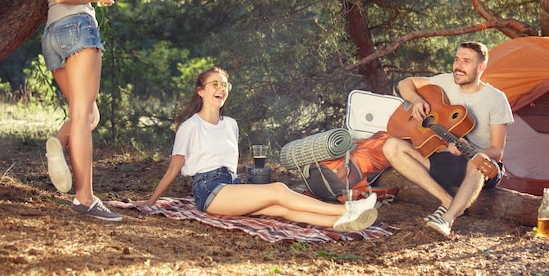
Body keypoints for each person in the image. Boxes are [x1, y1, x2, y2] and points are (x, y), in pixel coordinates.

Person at [139, 67, 378, 232]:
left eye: (225, 84)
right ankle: (348, 209)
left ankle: (341, 222)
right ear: (200, 91)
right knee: (279, 190)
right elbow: (173, 170)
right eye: (215, 84)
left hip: (230, 185)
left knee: (278, 208)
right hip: (207, 190)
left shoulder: (231, 124)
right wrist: (151, 202)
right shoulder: (190, 127)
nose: (221, 88)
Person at [41, 0, 120, 221]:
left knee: (87, 116)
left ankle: (58, 144)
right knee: (84, 117)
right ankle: (85, 198)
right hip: (77, 29)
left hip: (54, 36)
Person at [382, 41, 513, 237]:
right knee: (391, 146)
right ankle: (447, 200)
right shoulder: (445, 82)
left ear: (481, 67)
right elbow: (405, 83)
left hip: (478, 166)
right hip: (444, 161)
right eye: (456, 59)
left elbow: (497, 151)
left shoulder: (496, 99)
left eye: (466, 61)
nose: (458, 66)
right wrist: (417, 100)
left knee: (480, 161)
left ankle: (447, 219)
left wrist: (469, 150)